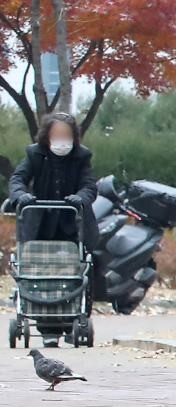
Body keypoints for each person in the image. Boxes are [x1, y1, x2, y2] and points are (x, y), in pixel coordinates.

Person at [9, 112, 101, 346]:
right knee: (42, 273)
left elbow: (90, 186)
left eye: (66, 134)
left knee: (77, 270)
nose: (62, 139)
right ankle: (47, 328)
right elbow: (18, 179)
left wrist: (80, 198)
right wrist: (21, 196)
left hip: (73, 224)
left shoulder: (82, 156)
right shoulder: (34, 154)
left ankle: (73, 321)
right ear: (47, 136)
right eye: (57, 134)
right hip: (41, 223)